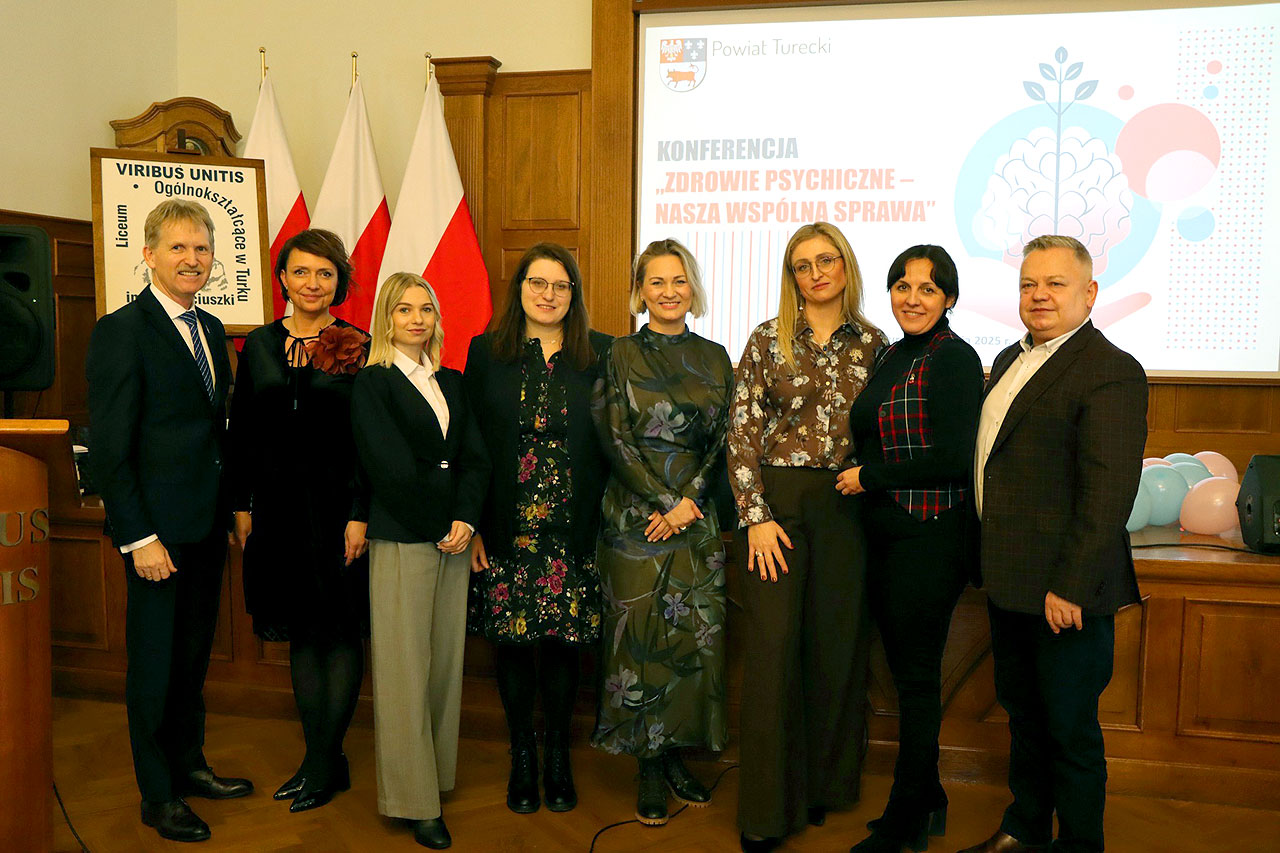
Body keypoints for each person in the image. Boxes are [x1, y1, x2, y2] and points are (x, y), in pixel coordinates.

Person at [958, 235, 1147, 853]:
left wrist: (1069, 584)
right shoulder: (1014, 360)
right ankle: (1024, 829)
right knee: (1026, 721)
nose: (1038, 295)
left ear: (1089, 293)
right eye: (1027, 284)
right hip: (1012, 582)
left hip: (1063, 593)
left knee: (1069, 732)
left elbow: (1107, 492)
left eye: (1055, 283)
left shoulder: (1110, 369)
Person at [86, 199, 252, 843]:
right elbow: (110, 450)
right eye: (178, 248)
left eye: (202, 249)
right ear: (148, 254)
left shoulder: (211, 329)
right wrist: (139, 536)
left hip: (205, 527)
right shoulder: (120, 330)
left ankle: (189, 766)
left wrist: (234, 508)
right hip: (155, 534)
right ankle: (157, 795)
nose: (192, 259)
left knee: (191, 660)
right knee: (154, 666)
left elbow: (216, 434)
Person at [727, 222, 887, 852]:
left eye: (827, 260)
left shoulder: (877, 344)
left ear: (845, 267)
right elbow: (740, 429)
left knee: (836, 649)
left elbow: (891, 430)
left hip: (848, 509)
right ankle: (765, 812)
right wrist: (755, 515)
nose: (816, 272)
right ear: (791, 277)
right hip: (777, 510)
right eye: (802, 265)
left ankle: (822, 788)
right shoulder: (768, 341)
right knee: (772, 653)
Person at [837, 246, 983, 853]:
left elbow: (956, 458)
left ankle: (904, 818)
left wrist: (871, 476)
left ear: (948, 297)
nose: (912, 298)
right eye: (902, 285)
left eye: (927, 288)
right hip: (889, 538)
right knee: (905, 676)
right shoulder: (892, 355)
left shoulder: (956, 359)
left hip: (933, 537)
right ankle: (931, 800)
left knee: (917, 682)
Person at [464, 243, 612, 816]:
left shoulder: (600, 353)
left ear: (573, 295)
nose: (548, 294)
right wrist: (473, 522)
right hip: (508, 525)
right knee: (514, 643)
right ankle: (521, 754)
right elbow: (471, 445)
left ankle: (558, 755)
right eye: (537, 283)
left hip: (573, 526)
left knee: (562, 645)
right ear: (520, 289)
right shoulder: (487, 353)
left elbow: (613, 442)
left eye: (560, 285)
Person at [591, 239, 734, 825]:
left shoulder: (717, 357)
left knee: (690, 644)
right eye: (656, 281)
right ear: (639, 291)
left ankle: (676, 755)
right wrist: (661, 498)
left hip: (695, 523)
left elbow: (726, 438)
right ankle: (646, 765)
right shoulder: (620, 353)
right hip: (633, 520)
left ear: (692, 288)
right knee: (637, 646)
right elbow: (613, 433)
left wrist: (688, 501)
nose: (669, 291)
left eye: (679, 280)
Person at [227, 229, 370, 813]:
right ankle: (323, 758)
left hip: (339, 513)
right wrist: (240, 506)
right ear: (282, 277)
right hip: (278, 512)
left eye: (326, 273)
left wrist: (361, 514)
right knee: (302, 635)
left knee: (337, 631)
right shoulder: (257, 345)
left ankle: (321, 763)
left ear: (340, 282)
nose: (313, 283)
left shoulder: (357, 344)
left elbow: (368, 441)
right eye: (301, 272)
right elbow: (241, 432)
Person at [352, 272, 488, 850]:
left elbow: (475, 459)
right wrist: (441, 524)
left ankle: (437, 777)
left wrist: (466, 520)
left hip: (452, 538)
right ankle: (412, 801)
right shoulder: (373, 382)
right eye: (404, 309)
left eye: (426, 310)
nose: (417, 319)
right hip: (406, 537)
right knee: (404, 670)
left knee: (442, 665)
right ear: (388, 317)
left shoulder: (451, 382)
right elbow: (388, 468)